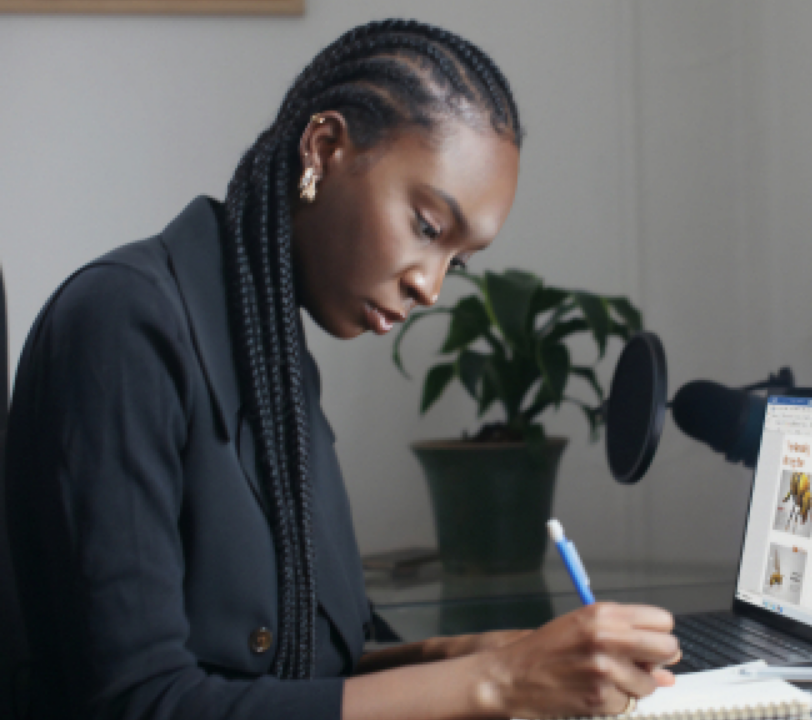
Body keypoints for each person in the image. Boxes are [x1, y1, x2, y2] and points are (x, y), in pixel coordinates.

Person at [5, 19, 679, 720]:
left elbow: (309, 669)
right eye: (426, 227)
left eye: (458, 259)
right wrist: (500, 682)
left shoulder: (275, 360)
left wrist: (479, 656)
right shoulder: (122, 322)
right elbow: (142, 704)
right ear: (324, 148)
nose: (431, 288)